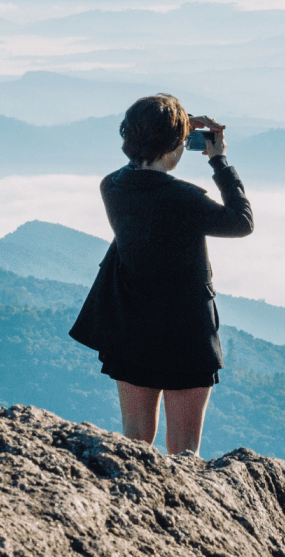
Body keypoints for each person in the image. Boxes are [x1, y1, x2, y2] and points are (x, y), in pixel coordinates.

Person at [69, 93, 253, 456]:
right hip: (186, 329)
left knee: (134, 441)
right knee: (184, 452)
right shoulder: (184, 198)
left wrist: (175, 125)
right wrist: (219, 161)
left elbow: (145, 181)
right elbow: (241, 222)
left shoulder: (112, 186)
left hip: (131, 324)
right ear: (174, 144)